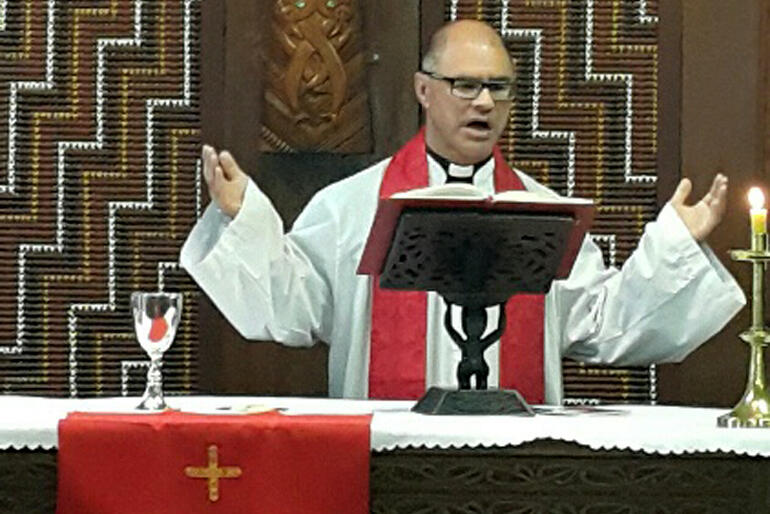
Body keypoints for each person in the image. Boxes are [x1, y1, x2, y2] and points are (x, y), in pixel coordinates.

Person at [180, 20, 745, 404]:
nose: (484, 103)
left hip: (516, 466)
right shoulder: (350, 207)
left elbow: (602, 323)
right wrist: (243, 218)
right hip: (384, 459)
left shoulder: (543, 211)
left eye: (499, 88)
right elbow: (293, 307)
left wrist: (676, 244)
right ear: (423, 90)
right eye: (466, 85)